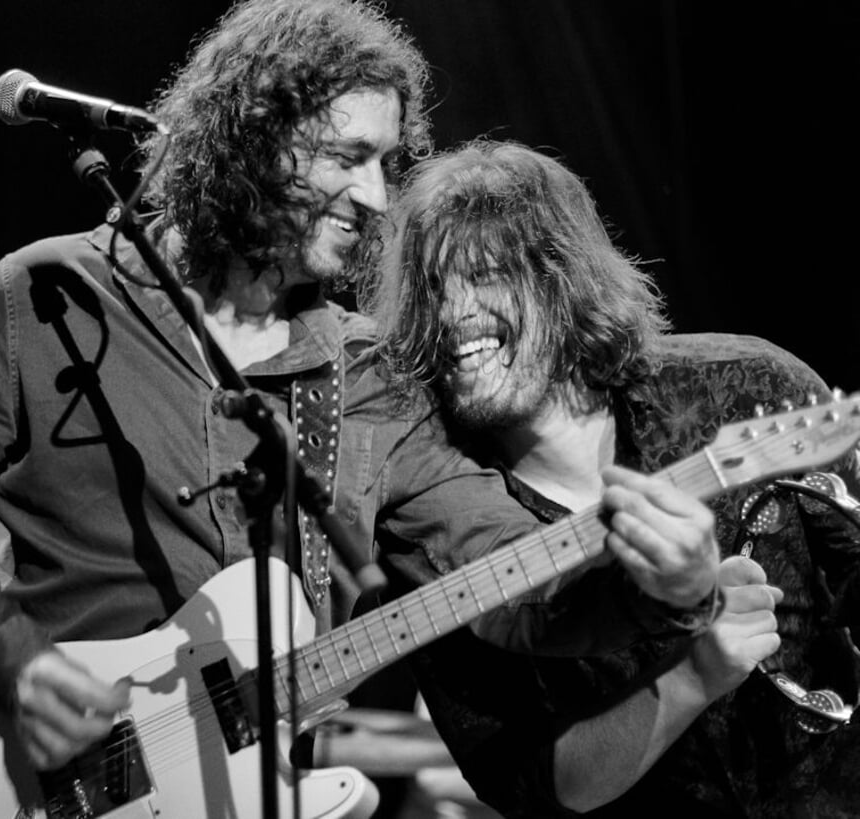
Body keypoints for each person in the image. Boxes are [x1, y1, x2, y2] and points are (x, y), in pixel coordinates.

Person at [0, 3, 721, 815]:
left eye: (387, 164)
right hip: (57, 783)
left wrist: (661, 590)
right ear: (250, 140)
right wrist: (11, 662)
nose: (379, 198)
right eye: (348, 158)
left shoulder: (367, 370)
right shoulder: (47, 298)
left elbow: (509, 576)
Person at [366, 137, 860, 818]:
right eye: (433, 290)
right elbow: (536, 787)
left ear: (562, 277)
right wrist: (695, 675)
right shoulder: (433, 525)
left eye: (484, 275)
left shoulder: (744, 388)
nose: (452, 316)